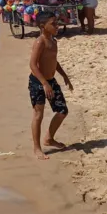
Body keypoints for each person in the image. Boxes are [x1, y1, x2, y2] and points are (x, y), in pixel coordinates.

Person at [29, 14, 73, 160]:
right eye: (53, 24)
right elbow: (33, 65)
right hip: (38, 82)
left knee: (62, 110)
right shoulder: (40, 42)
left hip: (51, 81)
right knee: (38, 114)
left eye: (57, 23)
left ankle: (49, 138)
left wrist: (64, 75)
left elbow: (54, 60)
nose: (57, 26)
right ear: (43, 26)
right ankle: (36, 148)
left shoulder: (53, 41)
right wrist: (44, 83)